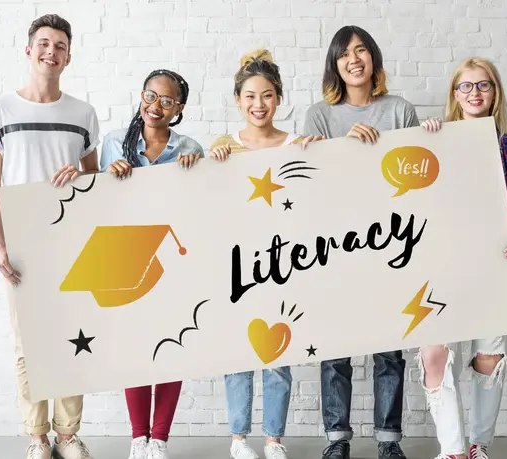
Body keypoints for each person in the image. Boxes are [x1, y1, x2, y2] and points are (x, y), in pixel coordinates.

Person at [0, 14, 99, 459]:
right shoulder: (1, 111)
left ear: (69, 57)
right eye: (44, 43)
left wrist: (79, 179)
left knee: (73, 338)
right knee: (27, 344)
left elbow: (94, 185)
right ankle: (38, 436)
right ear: (29, 51)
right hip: (23, 246)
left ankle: (68, 434)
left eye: (61, 45)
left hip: (70, 244)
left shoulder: (82, 114)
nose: (52, 51)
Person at [302, 25, 420, 459]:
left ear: (374, 58)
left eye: (362, 50)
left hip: (390, 242)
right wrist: (344, 149)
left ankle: (389, 441)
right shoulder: (320, 114)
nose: (354, 59)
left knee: (389, 347)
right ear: (334, 65)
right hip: (334, 245)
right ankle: (338, 440)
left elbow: (413, 174)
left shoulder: (399, 109)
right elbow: (310, 181)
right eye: (344, 54)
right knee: (337, 347)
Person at [418, 57, 507, 459]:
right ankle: (452, 449)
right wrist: (429, 139)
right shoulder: (436, 140)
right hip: (445, 266)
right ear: (455, 95)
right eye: (466, 86)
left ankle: (477, 446)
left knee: (489, 357)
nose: (474, 93)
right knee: (434, 352)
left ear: (495, 92)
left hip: (498, 266)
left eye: (483, 85)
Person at [209, 49, 322, 459]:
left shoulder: (297, 144)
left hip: (285, 263)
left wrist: (318, 155)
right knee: (237, 354)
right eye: (251, 96)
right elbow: (208, 203)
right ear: (238, 100)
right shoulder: (224, 146)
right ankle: (239, 439)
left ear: (279, 98)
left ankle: (274, 438)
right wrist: (212, 163)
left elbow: (316, 199)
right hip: (237, 265)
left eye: (268, 96)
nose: (259, 105)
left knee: (279, 353)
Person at [99, 68, 202, 459]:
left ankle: (159, 440)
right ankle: (137, 438)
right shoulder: (113, 143)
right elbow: (95, 204)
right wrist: (108, 175)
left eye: (167, 100)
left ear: (179, 109)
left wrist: (198, 173)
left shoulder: (189, 147)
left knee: (170, 350)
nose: (156, 106)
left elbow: (200, 207)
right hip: (127, 258)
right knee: (135, 352)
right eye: (150, 95)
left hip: (173, 263)